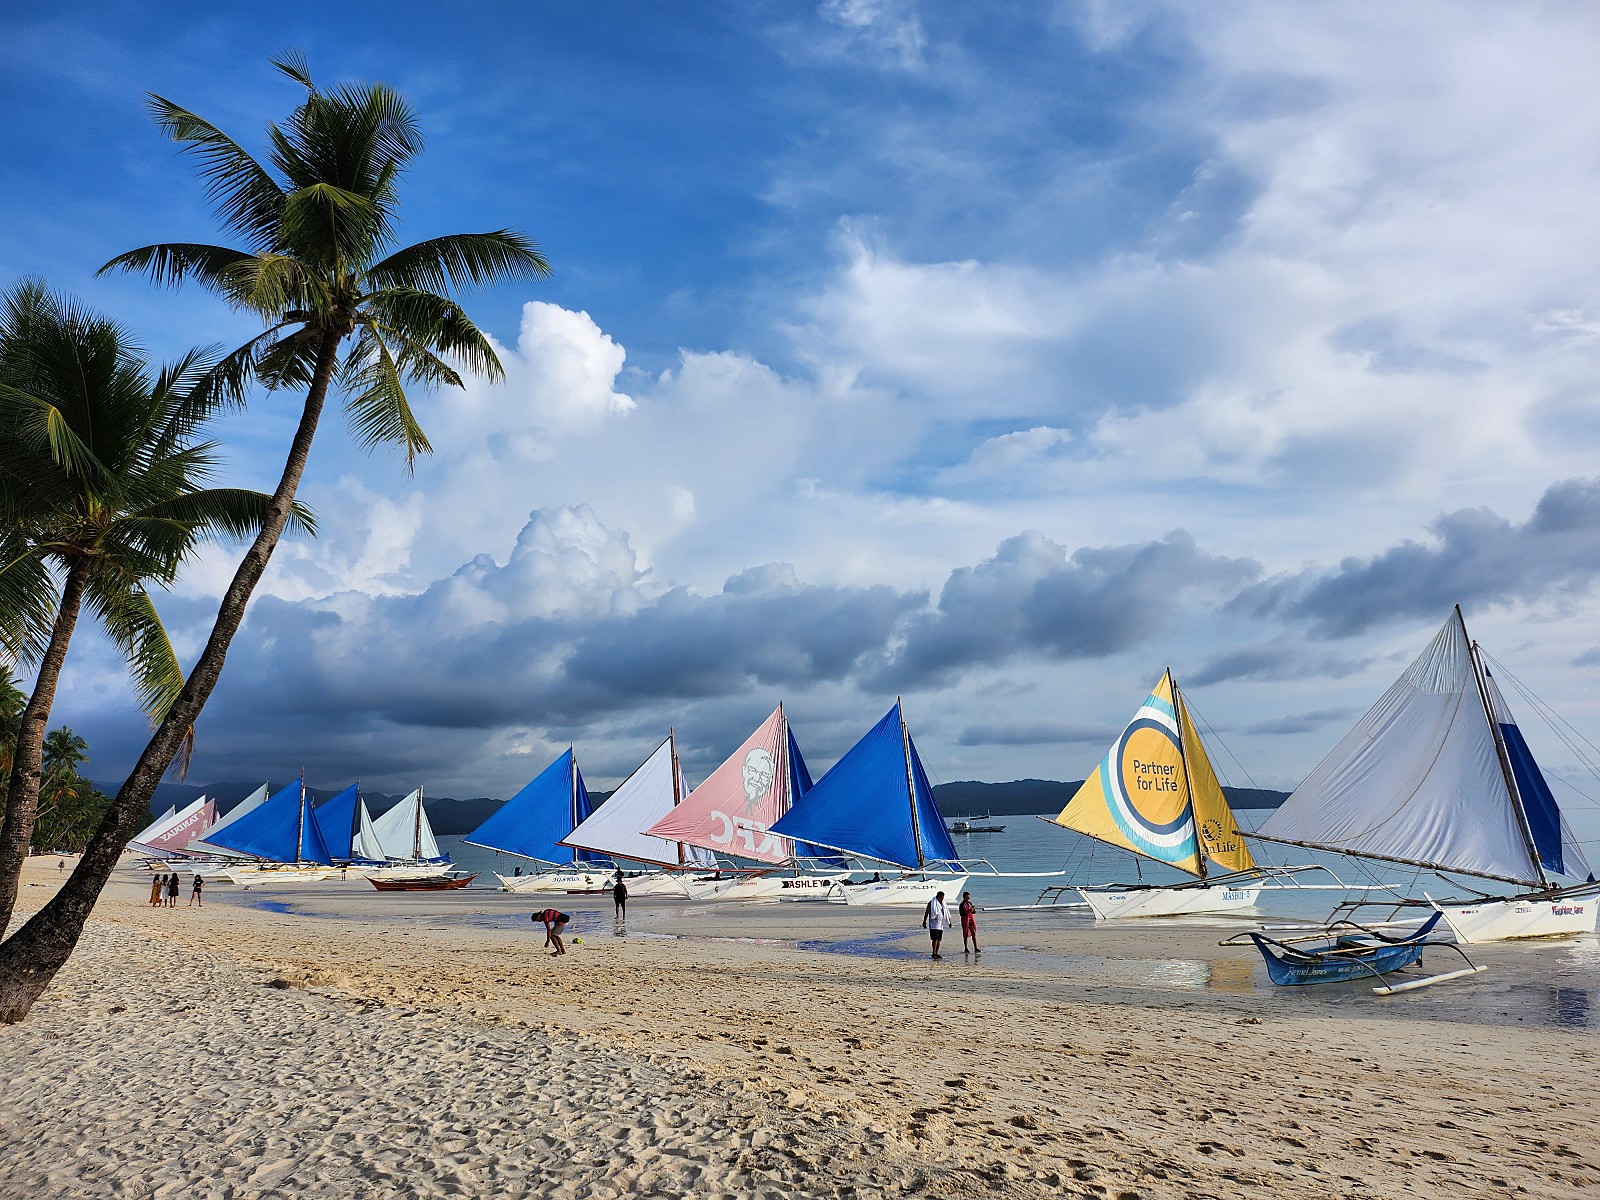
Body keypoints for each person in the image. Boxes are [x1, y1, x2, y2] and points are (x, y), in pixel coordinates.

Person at [922, 890, 950, 960]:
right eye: (940, 897)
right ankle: (933, 952)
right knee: (935, 939)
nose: (942, 899)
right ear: (937, 897)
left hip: (940, 925)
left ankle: (936, 953)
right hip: (933, 924)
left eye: (943, 897)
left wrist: (949, 922)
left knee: (939, 940)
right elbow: (926, 912)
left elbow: (946, 913)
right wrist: (924, 921)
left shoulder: (943, 904)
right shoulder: (931, 903)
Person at [958, 891, 980, 956]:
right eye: (967, 897)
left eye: (968, 897)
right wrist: (968, 911)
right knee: (965, 934)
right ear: (964, 897)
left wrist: (973, 911)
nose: (968, 899)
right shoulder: (961, 905)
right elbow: (961, 913)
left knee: (973, 932)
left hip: (970, 920)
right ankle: (965, 948)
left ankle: (975, 947)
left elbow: (973, 912)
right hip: (965, 920)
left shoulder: (970, 903)